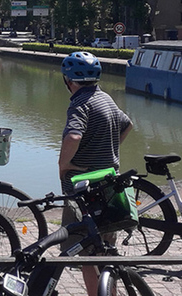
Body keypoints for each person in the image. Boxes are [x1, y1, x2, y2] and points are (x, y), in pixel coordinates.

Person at [57, 52, 133, 296]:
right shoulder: (105, 98)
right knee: (107, 248)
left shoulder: (80, 103)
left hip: (84, 189)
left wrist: (64, 164)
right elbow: (128, 124)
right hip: (109, 187)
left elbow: (74, 136)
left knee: (86, 251)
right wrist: (109, 151)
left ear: (68, 81)